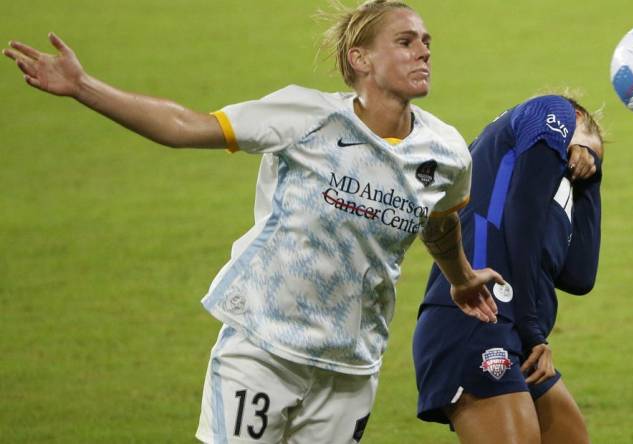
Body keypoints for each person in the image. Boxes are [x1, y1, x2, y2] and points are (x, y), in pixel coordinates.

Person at [3, 1, 505, 442]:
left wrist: (461, 279)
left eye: (426, 42)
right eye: (405, 41)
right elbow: (184, 127)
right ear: (361, 58)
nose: (423, 51)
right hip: (264, 345)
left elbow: (439, 224)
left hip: (351, 365)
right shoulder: (305, 117)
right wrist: (83, 86)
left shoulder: (446, 151)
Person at [412, 94, 604, 444]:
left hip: (513, 332)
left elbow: (580, 277)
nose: (583, 165)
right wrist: (534, 331)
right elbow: (522, 213)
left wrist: (591, 183)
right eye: (587, 147)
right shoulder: (549, 111)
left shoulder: (557, 194)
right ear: (575, 117)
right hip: (475, 317)